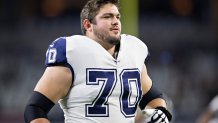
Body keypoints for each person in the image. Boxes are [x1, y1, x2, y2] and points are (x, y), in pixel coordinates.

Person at [24, 0, 172, 123]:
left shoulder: (133, 51)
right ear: (88, 25)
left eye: (117, 17)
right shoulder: (73, 53)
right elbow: (35, 108)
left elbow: (153, 97)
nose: (115, 22)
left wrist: (160, 112)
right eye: (107, 17)